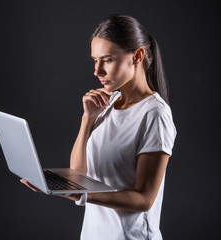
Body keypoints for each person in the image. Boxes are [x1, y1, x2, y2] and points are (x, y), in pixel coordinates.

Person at [21, 14, 176, 239]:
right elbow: (78, 174)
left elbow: (144, 199)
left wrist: (80, 195)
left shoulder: (155, 114)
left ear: (138, 56)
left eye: (108, 60)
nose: (97, 71)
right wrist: (88, 119)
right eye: (95, 60)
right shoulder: (107, 103)